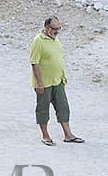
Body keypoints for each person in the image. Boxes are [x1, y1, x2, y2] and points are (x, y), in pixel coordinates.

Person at [31, 16, 82, 146]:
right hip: (44, 83)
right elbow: (34, 63)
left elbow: (58, 59)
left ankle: (68, 135)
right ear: (47, 28)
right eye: (54, 28)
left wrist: (63, 76)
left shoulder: (56, 40)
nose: (57, 31)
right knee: (43, 109)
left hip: (57, 80)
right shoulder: (38, 41)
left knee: (63, 107)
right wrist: (39, 83)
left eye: (59, 28)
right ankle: (45, 135)